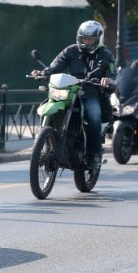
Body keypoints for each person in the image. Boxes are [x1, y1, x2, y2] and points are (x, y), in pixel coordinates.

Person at [31, 20, 116, 169]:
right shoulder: (71, 51)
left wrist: (108, 80)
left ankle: (93, 156)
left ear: (98, 39)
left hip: (90, 94)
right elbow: (55, 67)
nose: (87, 42)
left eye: (91, 39)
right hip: (68, 92)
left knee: (94, 116)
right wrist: (42, 73)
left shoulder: (106, 55)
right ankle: (44, 143)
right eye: (84, 38)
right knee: (46, 105)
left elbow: (113, 74)